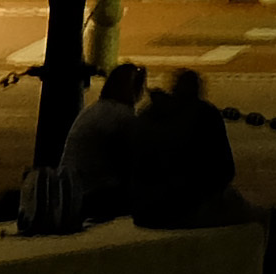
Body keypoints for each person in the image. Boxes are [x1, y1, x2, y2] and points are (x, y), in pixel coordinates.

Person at [125, 69, 245, 229]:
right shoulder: (204, 114)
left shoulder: (148, 114)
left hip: (144, 209)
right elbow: (225, 170)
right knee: (243, 210)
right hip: (185, 208)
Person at [59, 62, 146, 224]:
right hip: (94, 193)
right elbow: (135, 157)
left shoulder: (96, 109)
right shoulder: (121, 115)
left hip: (73, 188)